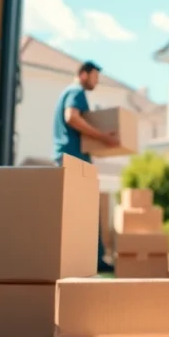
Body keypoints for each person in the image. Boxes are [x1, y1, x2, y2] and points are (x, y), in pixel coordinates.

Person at [53, 60, 120, 273]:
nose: (96, 82)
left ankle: (86, 258)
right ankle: (94, 260)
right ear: (84, 74)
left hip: (71, 156)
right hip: (73, 157)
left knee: (77, 210)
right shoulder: (76, 92)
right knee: (86, 209)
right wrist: (102, 137)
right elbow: (71, 117)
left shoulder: (69, 92)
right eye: (95, 77)